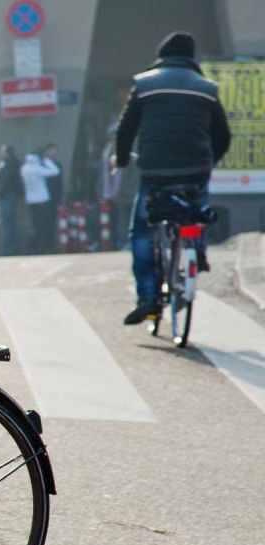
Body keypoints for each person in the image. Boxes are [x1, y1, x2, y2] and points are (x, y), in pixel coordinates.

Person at [113, 32, 231, 325]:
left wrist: (123, 159)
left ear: (161, 54)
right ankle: (197, 250)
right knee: (197, 212)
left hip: (155, 172)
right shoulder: (207, 88)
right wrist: (209, 162)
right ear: (191, 58)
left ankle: (148, 299)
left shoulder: (144, 84)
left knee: (141, 231)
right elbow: (224, 136)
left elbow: (125, 130)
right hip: (196, 171)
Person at [21, 147, 60, 254]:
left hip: (30, 200)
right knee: (42, 225)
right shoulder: (37, 168)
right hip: (42, 200)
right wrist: (47, 161)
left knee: (34, 225)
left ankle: (33, 247)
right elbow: (55, 171)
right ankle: (40, 247)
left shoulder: (24, 168)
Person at [0, 144, 24, 256]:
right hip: (7, 195)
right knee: (8, 222)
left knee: (9, 221)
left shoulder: (10, 163)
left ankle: (11, 248)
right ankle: (10, 246)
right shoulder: (6, 163)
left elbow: (6, 181)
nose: (0, 153)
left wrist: (0, 191)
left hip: (8, 195)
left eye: (2, 151)